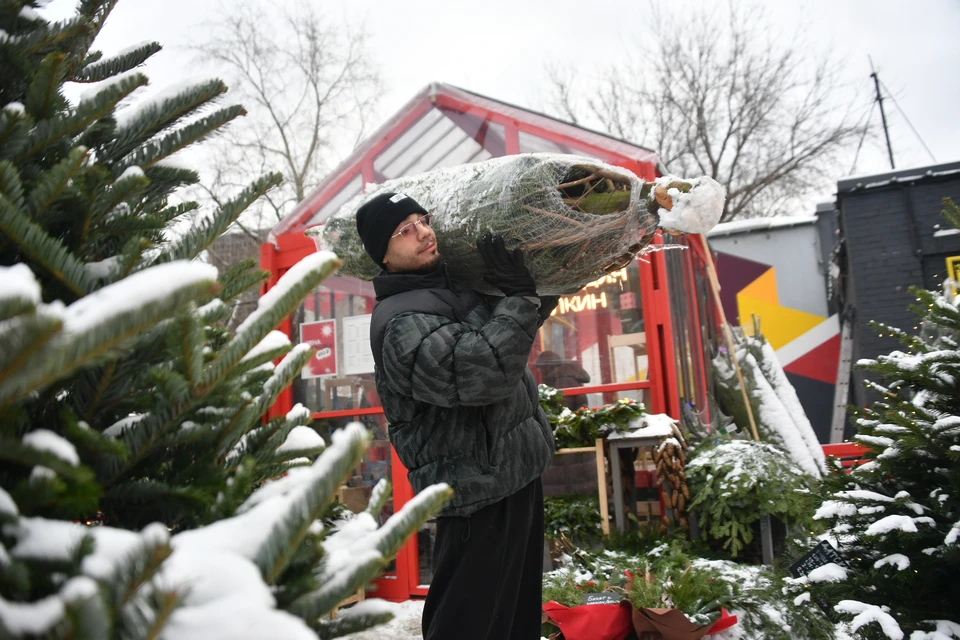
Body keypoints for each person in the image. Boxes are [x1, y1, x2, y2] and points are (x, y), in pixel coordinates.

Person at [356, 191, 557, 640]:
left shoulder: (455, 287)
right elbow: (481, 371)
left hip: (513, 473)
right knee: (468, 624)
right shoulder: (401, 322)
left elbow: (512, 333)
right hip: (474, 492)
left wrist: (543, 277)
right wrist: (519, 297)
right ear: (382, 256)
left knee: (515, 618)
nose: (422, 233)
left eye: (422, 220)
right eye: (404, 230)